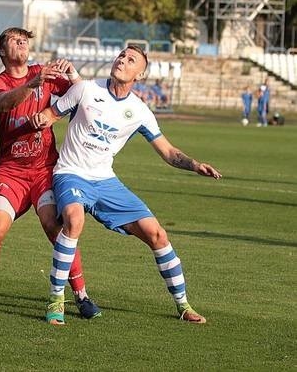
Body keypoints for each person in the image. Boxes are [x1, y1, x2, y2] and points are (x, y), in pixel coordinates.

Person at [32, 45, 222, 325]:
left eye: (130, 59)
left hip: (106, 181)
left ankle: (183, 305)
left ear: (140, 74)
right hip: (71, 173)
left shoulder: (140, 111)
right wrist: (42, 119)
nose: (122, 59)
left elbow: (168, 152)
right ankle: (56, 300)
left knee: (157, 234)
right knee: (74, 219)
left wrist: (194, 165)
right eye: (121, 55)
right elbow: (52, 114)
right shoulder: (84, 89)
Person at [0, 27, 100, 320]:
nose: (22, 42)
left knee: (56, 227)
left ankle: (82, 296)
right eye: (15, 39)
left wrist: (72, 76)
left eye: (25, 39)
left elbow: (82, 94)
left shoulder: (44, 73)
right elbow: (4, 103)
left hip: (44, 171)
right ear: (2, 51)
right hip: (10, 172)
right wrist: (32, 84)